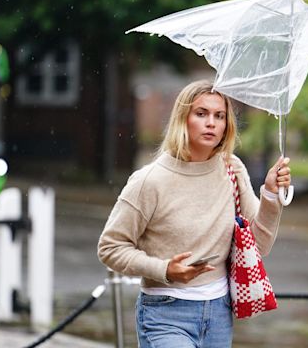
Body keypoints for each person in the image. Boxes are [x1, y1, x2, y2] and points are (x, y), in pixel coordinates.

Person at [98, 80, 291, 347]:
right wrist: (165, 269)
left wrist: (270, 195)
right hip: (165, 314)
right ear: (183, 119)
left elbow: (260, 245)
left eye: (219, 116)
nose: (211, 122)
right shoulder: (150, 180)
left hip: (219, 313)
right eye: (201, 113)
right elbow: (110, 247)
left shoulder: (232, 170)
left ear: (227, 125)